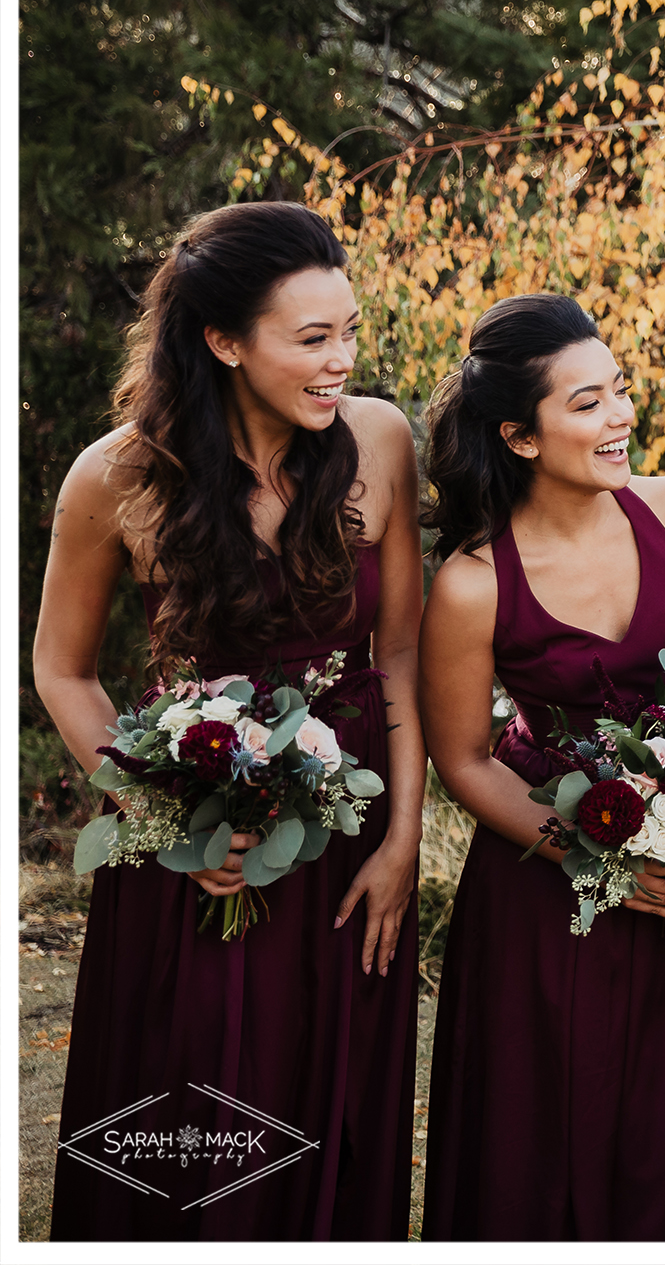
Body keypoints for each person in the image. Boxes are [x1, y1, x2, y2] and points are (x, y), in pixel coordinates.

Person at [36, 200, 426, 1240]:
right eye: (312, 339)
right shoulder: (114, 477)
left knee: (328, 1113)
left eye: (350, 331)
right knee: (195, 1129)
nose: (342, 359)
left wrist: (402, 841)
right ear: (222, 340)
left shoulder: (382, 440)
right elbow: (61, 670)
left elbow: (399, 654)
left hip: (345, 845)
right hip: (192, 851)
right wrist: (160, 809)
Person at [416, 293, 665, 1239]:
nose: (621, 416)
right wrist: (589, 858)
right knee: (543, 1142)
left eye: (621, 392)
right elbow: (462, 758)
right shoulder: (473, 580)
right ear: (517, 435)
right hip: (542, 899)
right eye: (587, 403)